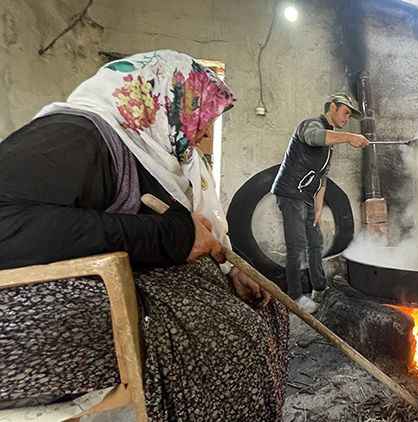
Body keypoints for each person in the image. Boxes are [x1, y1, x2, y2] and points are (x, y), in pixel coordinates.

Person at [0, 50, 288, 421]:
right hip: (38, 316)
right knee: (232, 339)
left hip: (144, 279)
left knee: (268, 311)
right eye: (198, 116)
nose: (203, 133)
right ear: (158, 101)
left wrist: (232, 269)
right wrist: (171, 238)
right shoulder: (76, 134)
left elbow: (203, 230)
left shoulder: (161, 152)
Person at [271, 93, 369, 313]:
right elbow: (313, 137)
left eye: (350, 116)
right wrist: (350, 137)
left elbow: (322, 178)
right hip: (289, 193)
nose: (347, 118)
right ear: (333, 107)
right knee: (296, 246)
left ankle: (319, 287)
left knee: (315, 242)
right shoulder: (310, 125)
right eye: (345, 112)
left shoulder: (330, 142)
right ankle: (295, 296)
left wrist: (318, 209)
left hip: (306, 198)